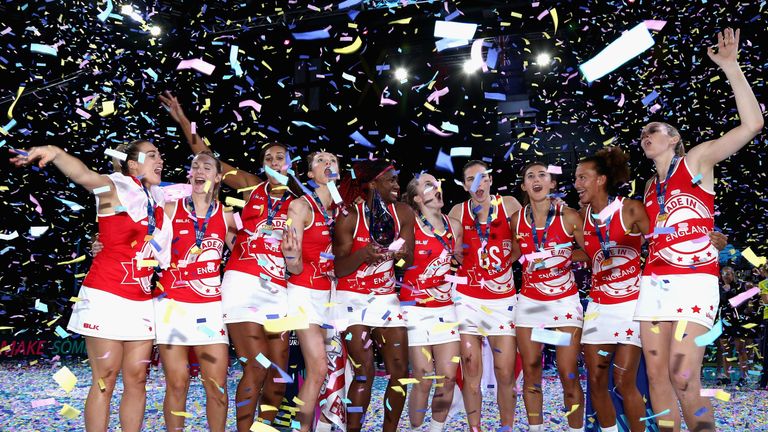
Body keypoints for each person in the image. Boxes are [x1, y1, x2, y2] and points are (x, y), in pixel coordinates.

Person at [633, 28, 763, 432]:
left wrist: (731, 67)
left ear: (674, 139)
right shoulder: (650, 189)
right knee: (656, 379)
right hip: (654, 282)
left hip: (693, 281)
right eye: (642, 134)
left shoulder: (698, 160)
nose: (645, 137)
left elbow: (753, 124)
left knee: (683, 376)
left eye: (653, 131)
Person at [159, 92, 300, 431]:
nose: (275, 160)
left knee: (280, 373)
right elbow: (206, 158)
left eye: (281, 156)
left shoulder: (302, 203)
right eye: (269, 156)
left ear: (291, 163)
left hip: (279, 288)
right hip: (243, 282)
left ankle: (262, 429)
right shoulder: (252, 188)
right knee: (256, 366)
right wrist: (182, 118)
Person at [10, 141, 172, 432]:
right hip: (106, 296)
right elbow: (84, 175)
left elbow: (202, 188)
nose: (159, 159)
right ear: (132, 165)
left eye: (160, 155)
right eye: (151, 155)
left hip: (142, 299)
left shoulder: (160, 198)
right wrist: (56, 152)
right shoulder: (113, 189)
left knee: (137, 378)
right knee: (105, 379)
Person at [334, 159, 415, 432]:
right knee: (363, 372)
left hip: (385, 299)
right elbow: (338, 268)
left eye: (396, 179)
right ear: (372, 185)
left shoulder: (403, 212)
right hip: (352, 300)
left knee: (401, 373)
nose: (396, 184)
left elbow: (407, 259)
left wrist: (402, 257)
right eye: (390, 180)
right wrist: (361, 255)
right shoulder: (350, 216)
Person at [574, 147, 648, 432]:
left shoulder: (630, 209)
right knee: (595, 380)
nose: (577, 184)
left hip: (630, 305)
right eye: (576, 178)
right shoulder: (581, 217)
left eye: (583, 178)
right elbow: (587, 253)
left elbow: (658, 242)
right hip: (597, 307)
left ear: (601, 180)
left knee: (623, 381)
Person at [447, 160, 521, 431]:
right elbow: (453, 254)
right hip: (467, 299)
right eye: (470, 179)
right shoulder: (457, 211)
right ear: (465, 185)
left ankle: (507, 427)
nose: (477, 184)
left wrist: (503, 267)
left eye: (481, 177)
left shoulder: (510, 204)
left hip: (502, 299)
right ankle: (474, 428)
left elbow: (521, 243)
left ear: (490, 180)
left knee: (505, 371)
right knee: (470, 369)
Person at [511, 161, 585, 432]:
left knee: (568, 372)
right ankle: (536, 429)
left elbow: (591, 253)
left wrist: (561, 258)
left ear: (552, 183)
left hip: (564, 301)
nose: (536, 179)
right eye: (530, 176)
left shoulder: (569, 216)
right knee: (531, 371)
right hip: (530, 303)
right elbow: (515, 253)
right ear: (524, 186)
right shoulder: (516, 220)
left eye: (542, 175)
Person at [280, 151, 341, 432]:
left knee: (331, 371)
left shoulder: (344, 210)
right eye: (320, 161)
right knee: (317, 369)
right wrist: (292, 257)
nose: (328, 164)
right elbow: (292, 267)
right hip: (303, 292)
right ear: (309, 175)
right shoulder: (301, 206)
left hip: (334, 297)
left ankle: (326, 424)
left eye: (333, 161)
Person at [400, 172, 462, 432]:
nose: (436, 187)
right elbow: (397, 261)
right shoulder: (409, 223)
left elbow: (461, 264)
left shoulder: (455, 226)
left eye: (437, 183)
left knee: (447, 379)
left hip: (445, 309)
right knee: (423, 379)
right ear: (416, 197)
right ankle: (415, 429)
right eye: (428, 185)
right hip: (415, 310)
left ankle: (436, 429)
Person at [716, 266, 759, 387]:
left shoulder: (741, 285)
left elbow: (747, 298)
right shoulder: (718, 287)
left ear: (733, 274)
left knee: (740, 348)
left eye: (728, 274)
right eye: (724, 274)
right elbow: (719, 301)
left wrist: (747, 308)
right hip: (723, 320)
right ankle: (727, 376)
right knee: (725, 350)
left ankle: (743, 376)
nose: (726, 276)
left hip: (738, 321)